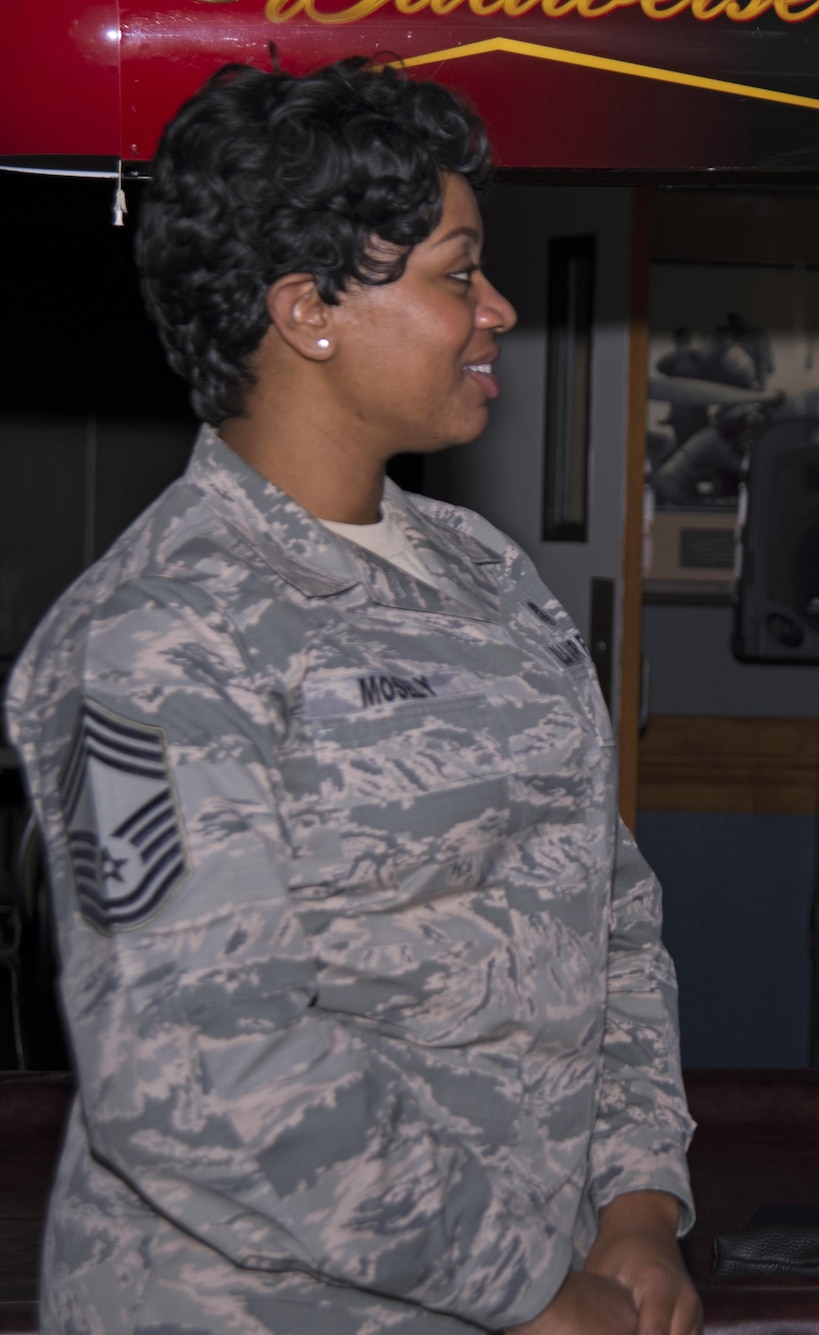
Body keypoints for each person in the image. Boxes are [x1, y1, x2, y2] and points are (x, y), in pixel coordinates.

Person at [5, 60, 701, 1335]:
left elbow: (606, 915)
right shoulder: (157, 636)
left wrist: (637, 1205)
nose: (496, 309)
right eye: (454, 272)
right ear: (308, 312)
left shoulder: (486, 576)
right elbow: (198, 1082)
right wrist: (535, 1292)